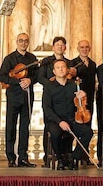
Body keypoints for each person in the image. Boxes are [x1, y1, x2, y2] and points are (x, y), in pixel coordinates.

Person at [42, 59, 93, 170]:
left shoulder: (74, 85)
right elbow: (47, 108)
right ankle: (60, 159)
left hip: (72, 119)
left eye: (63, 67)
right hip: (55, 121)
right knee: (55, 133)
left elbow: (80, 105)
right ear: (54, 71)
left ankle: (72, 156)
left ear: (68, 70)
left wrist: (84, 96)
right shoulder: (48, 87)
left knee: (88, 132)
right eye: (58, 67)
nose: (61, 69)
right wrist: (60, 122)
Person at [0, 33, 38, 168]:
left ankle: (23, 158)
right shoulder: (9, 58)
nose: (23, 43)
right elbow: (2, 76)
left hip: (27, 96)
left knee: (24, 128)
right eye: (21, 41)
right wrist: (17, 81)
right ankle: (10, 157)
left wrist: (30, 80)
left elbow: (37, 75)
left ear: (28, 42)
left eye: (26, 41)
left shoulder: (32, 58)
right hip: (13, 96)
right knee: (10, 127)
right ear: (17, 42)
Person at [38, 36, 72, 165]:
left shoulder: (68, 63)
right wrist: (53, 85)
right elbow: (40, 77)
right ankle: (48, 157)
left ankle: (66, 155)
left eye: (62, 45)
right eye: (57, 45)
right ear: (53, 47)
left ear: (65, 48)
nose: (60, 47)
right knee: (50, 128)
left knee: (69, 128)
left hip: (65, 99)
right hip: (51, 97)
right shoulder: (46, 61)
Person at [69, 39, 96, 165]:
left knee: (88, 126)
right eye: (82, 47)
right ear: (78, 48)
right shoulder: (73, 63)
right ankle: (72, 155)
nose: (84, 49)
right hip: (77, 100)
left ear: (89, 49)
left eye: (86, 47)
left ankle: (84, 156)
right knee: (78, 127)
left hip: (89, 100)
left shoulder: (93, 64)